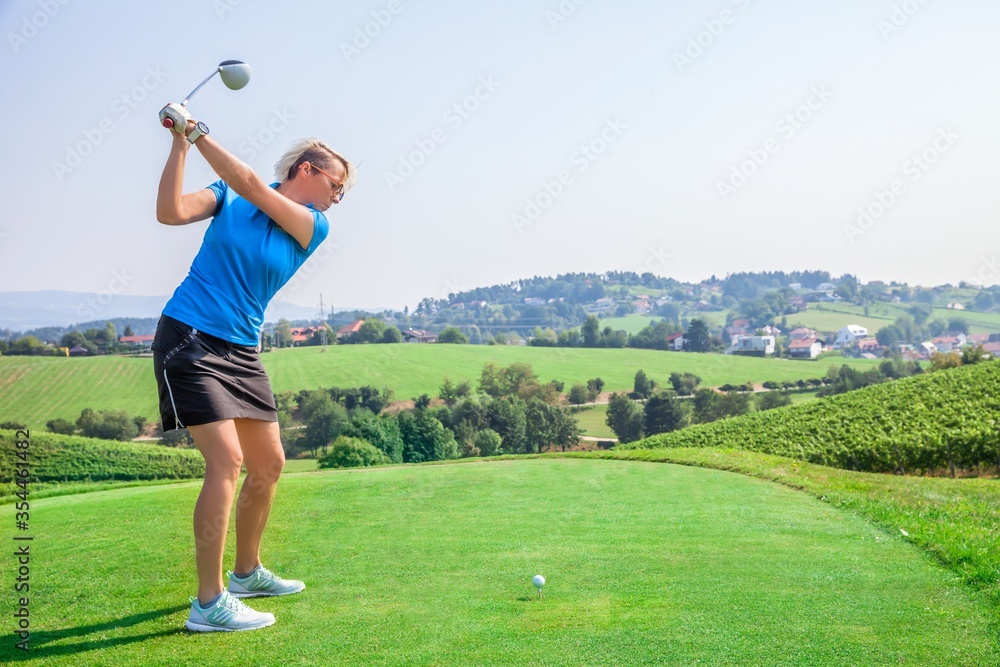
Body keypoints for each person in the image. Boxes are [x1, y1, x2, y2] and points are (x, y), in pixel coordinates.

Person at [153, 102, 355, 632]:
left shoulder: (313, 224)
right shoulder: (227, 197)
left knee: (269, 465)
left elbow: (248, 182)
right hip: (190, 338)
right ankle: (209, 602)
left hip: (241, 350)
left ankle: (245, 573)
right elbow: (170, 212)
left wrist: (197, 131)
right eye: (336, 184)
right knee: (228, 462)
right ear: (307, 171)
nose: (339, 197)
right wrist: (180, 142)